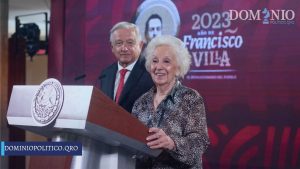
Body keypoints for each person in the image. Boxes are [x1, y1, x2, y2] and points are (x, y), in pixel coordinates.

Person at [132, 35, 210, 169]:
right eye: (154, 61)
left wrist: (171, 143)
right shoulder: (140, 103)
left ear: (178, 68)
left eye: (166, 61)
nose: (158, 67)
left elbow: (200, 143)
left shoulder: (190, 98)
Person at [99, 21, 154, 113]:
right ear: (112, 47)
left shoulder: (151, 72)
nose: (124, 48)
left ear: (140, 45)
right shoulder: (106, 74)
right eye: (119, 43)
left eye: (130, 42)